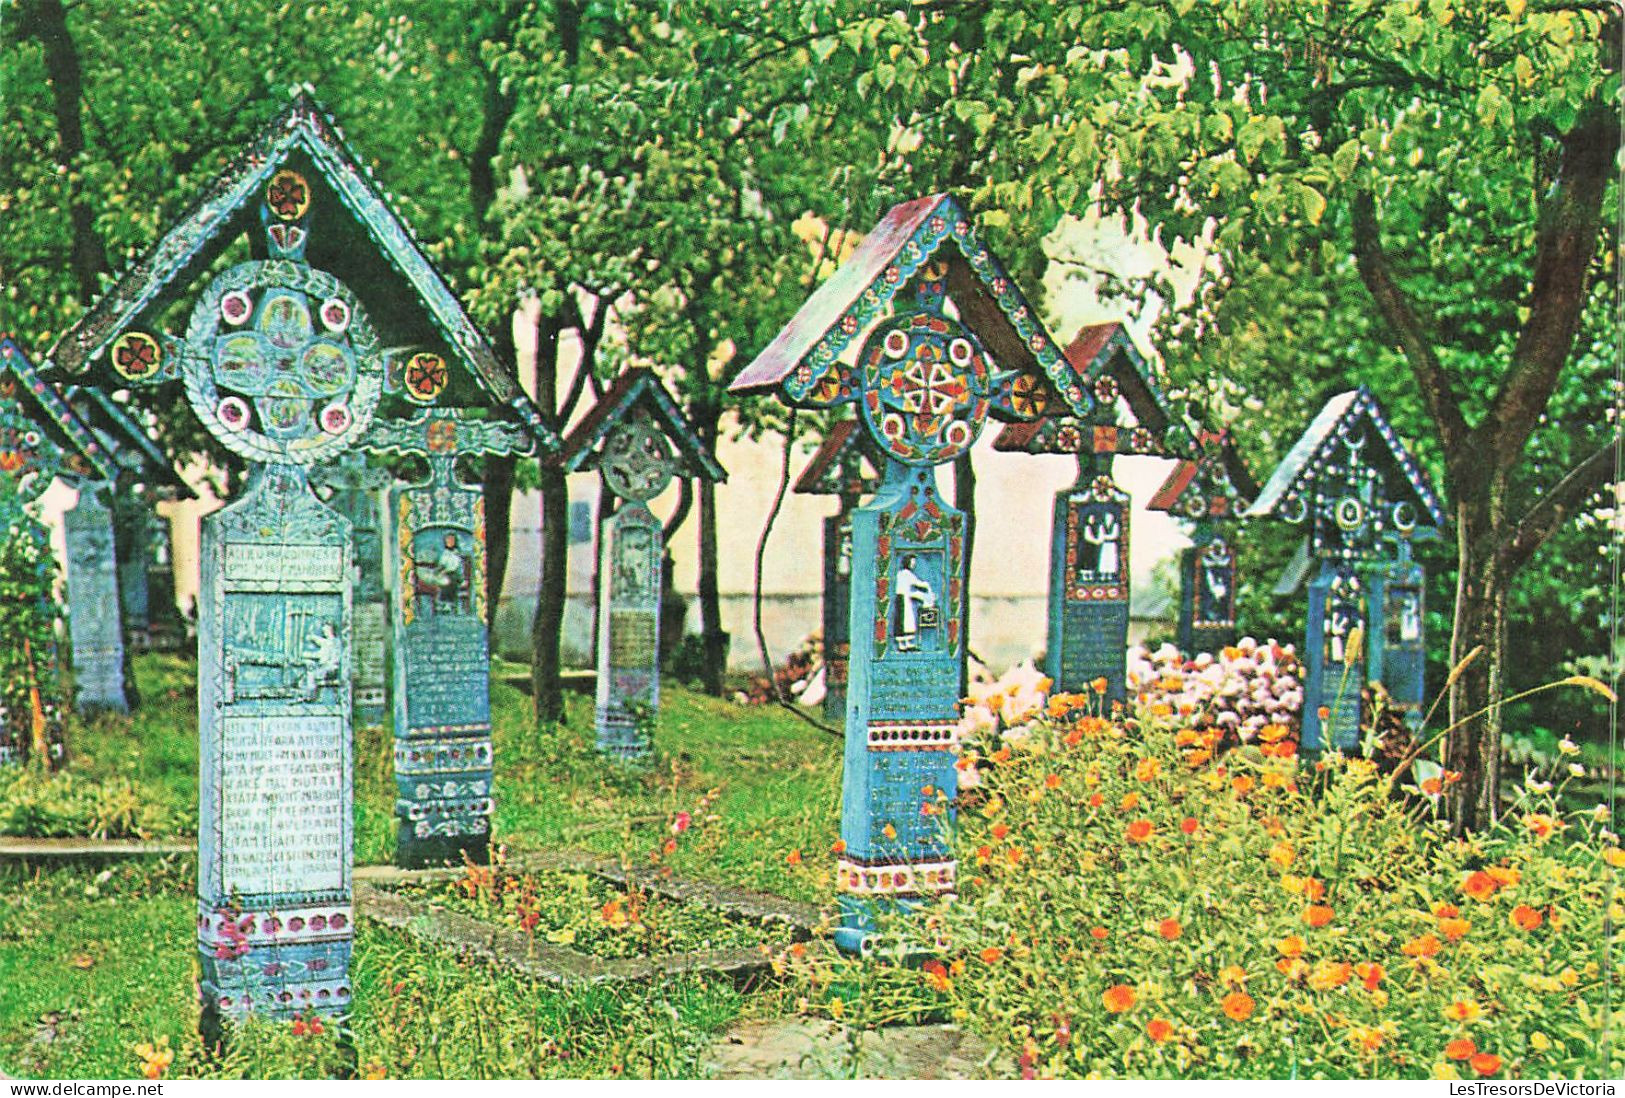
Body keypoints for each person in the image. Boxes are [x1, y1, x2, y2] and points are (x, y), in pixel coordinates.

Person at [894, 554, 937, 652]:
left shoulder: (901, 573)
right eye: (912, 562)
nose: (913, 565)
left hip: (902, 598)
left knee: (904, 621)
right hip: (903, 599)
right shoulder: (906, 574)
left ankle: (905, 645)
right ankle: (905, 645)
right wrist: (926, 586)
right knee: (906, 621)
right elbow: (918, 583)